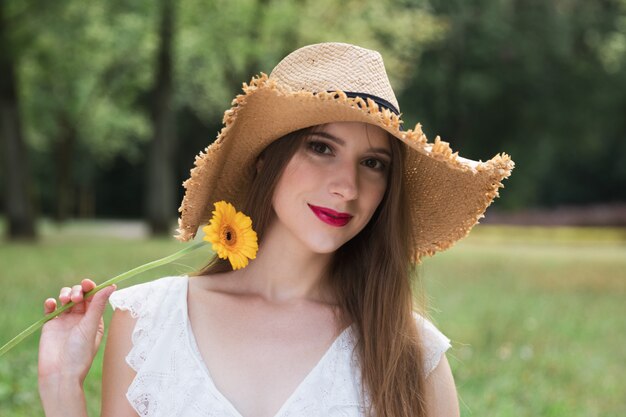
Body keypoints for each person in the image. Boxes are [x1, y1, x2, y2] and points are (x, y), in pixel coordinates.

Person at [38, 42, 513, 417]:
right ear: (268, 158)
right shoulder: (149, 322)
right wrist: (62, 389)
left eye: (372, 163)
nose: (347, 186)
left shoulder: (410, 351)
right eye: (321, 148)